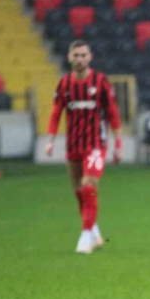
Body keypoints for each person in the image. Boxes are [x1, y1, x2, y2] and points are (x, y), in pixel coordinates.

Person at [45, 40, 122, 254]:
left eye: (83, 55)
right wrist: (50, 140)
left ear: (90, 57)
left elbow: (113, 114)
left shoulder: (100, 82)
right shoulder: (64, 84)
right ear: (70, 57)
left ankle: (85, 236)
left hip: (96, 144)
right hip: (73, 145)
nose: (79, 59)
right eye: (76, 55)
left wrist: (117, 144)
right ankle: (94, 233)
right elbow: (55, 113)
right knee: (79, 192)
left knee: (88, 185)